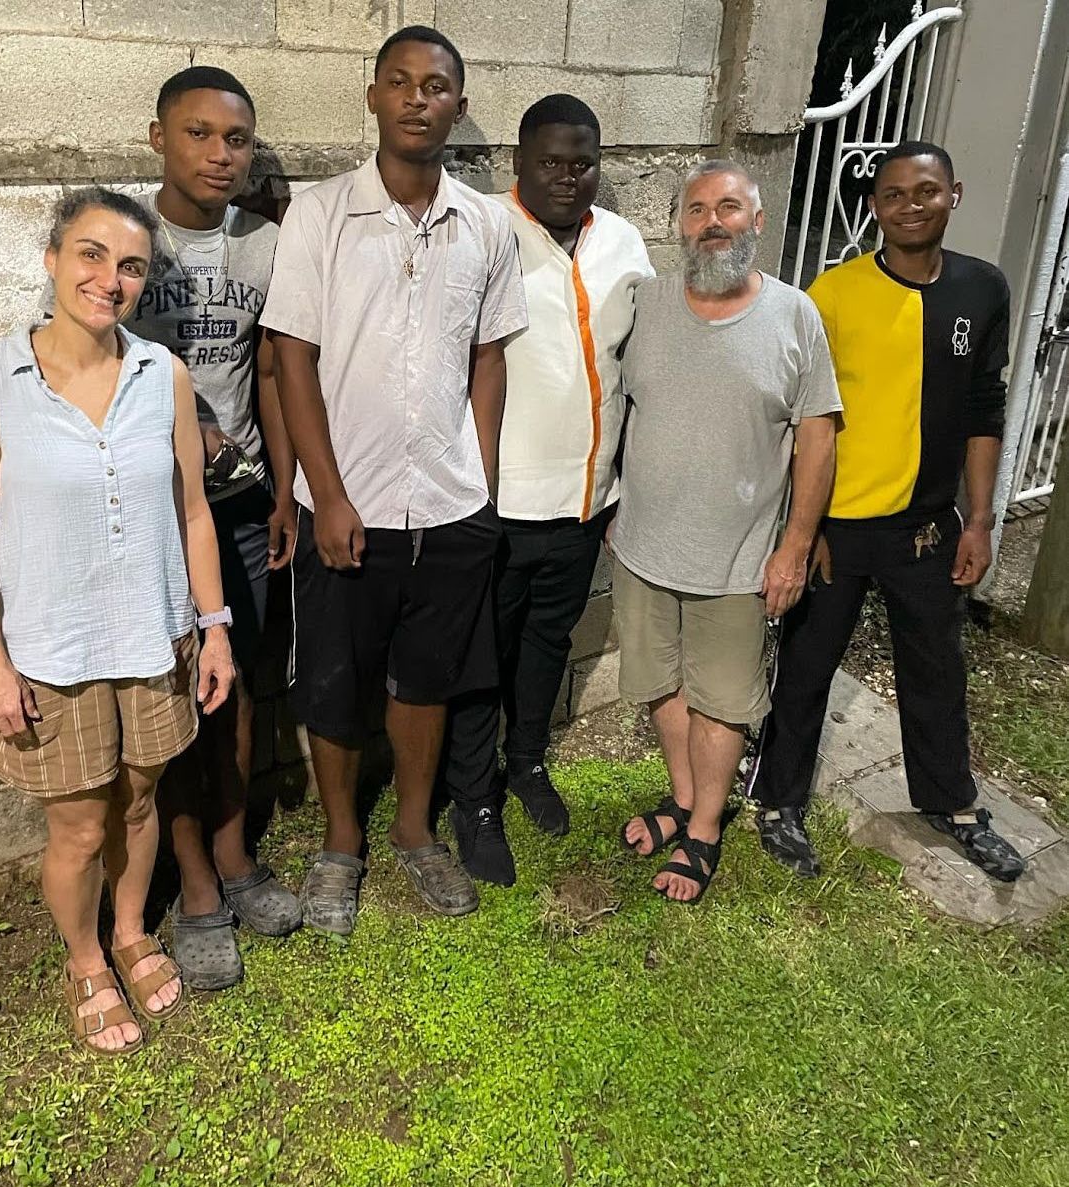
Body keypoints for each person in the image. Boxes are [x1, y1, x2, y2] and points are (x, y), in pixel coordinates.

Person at [0, 188, 235, 1055]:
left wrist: (215, 626)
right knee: (76, 826)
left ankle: (132, 929)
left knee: (138, 803)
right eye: (91, 255)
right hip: (51, 653)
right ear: (53, 260)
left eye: (131, 265)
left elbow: (192, 514)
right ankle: (85, 959)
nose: (110, 279)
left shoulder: (161, 375)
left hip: (153, 639)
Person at [261, 26, 526, 935]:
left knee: (427, 679)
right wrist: (328, 493)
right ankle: (342, 840)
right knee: (336, 681)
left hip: (450, 506)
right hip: (348, 504)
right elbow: (292, 358)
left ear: (459, 103)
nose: (419, 98)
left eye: (437, 85)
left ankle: (415, 828)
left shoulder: (485, 223)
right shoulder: (322, 215)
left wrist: (481, 482)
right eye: (401, 82)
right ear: (373, 95)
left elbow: (488, 358)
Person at [747, 141, 1025, 883]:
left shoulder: (982, 289)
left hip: (928, 528)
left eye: (926, 191)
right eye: (894, 194)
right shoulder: (833, 296)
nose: (910, 206)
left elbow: (984, 408)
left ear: (953, 195)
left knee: (937, 670)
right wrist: (804, 528)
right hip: (839, 530)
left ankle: (951, 803)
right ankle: (778, 799)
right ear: (874, 208)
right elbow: (801, 420)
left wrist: (978, 520)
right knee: (806, 666)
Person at [613, 160, 841, 903]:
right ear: (679, 225)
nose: (713, 222)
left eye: (730, 207)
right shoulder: (646, 304)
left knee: (722, 700)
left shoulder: (794, 315)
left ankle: (705, 829)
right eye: (698, 209)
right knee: (660, 683)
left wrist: (795, 548)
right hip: (643, 548)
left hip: (739, 560)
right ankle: (684, 799)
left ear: (758, 221)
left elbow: (818, 439)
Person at [441, 94, 654, 885]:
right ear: (519, 163)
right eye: (551, 162)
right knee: (482, 652)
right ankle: (473, 796)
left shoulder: (623, 242)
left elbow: (641, 360)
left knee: (547, 641)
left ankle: (526, 760)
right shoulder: (483, 228)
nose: (568, 176)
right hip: (497, 500)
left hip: (585, 499)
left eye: (583, 163)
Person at [137, 67, 301, 990]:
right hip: (149, 518)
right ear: (158, 138)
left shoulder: (264, 244)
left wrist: (283, 489)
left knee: (232, 689)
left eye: (236, 139)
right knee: (170, 696)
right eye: (198, 133)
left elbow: (270, 370)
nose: (219, 154)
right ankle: (194, 878)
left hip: (237, 509)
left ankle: (235, 854)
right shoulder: (124, 239)